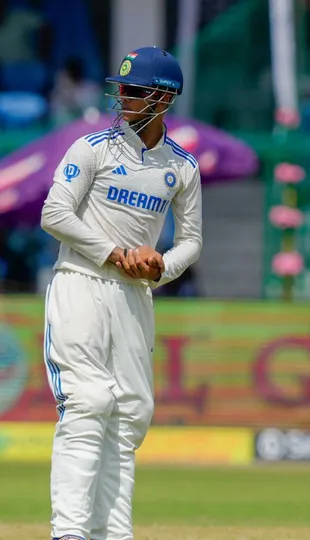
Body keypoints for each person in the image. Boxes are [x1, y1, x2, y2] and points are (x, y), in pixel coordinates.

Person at [39, 46, 203, 540]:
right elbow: (55, 214)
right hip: (80, 284)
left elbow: (191, 242)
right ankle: (69, 533)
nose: (123, 97)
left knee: (130, 413)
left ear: (164, 98)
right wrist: (114, 252)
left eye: (134, 90)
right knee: (88, 402)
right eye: (122, 88)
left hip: (135, 297)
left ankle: (113, 534)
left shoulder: (182, 167)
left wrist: (159, 267)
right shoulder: (92, 148)